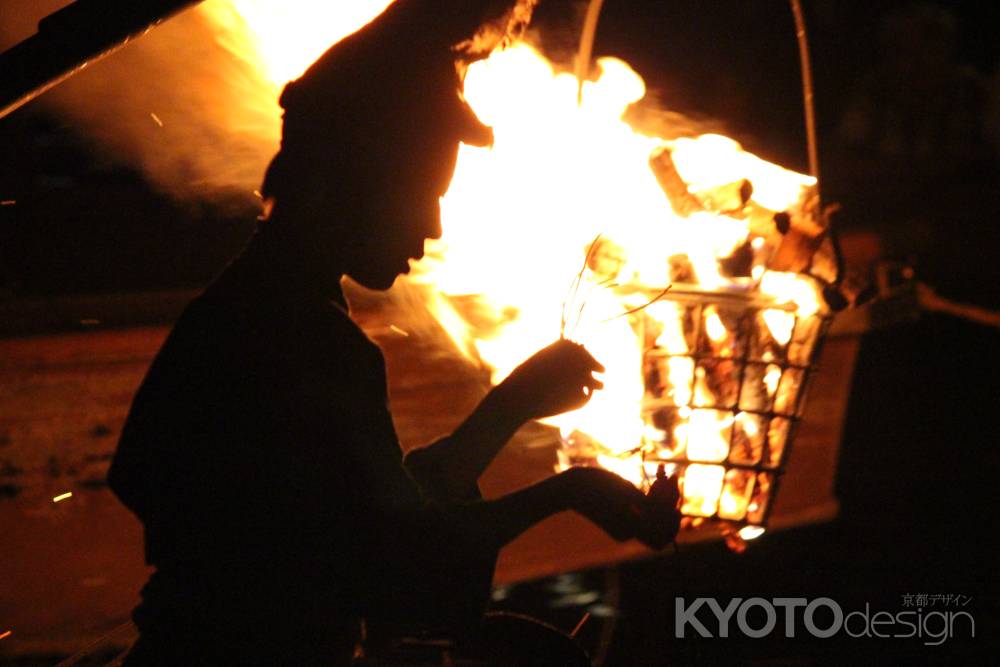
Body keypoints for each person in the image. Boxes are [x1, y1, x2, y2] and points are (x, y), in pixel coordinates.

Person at [108, 1, 680, 664]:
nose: (433, 227)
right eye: (418, 196)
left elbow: (384, 510)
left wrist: (514, 403)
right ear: (337, 185)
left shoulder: (252, 310)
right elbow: (403, 555)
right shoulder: (299, 340)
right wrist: (569, 490)